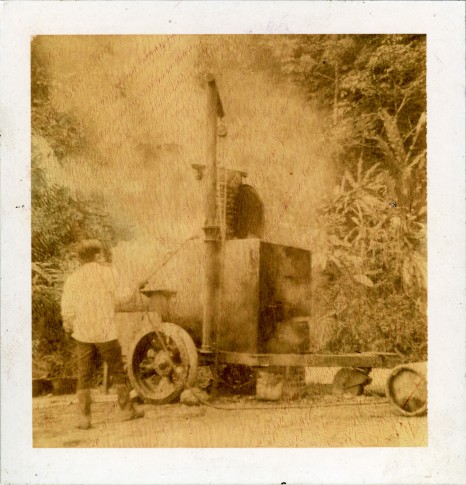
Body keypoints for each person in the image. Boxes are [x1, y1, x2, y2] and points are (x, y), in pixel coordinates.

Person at [61, 239, 145, 429]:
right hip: (105, 331)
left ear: (80, 258)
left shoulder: (73, 278)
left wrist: (68, 324)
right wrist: (136, 287)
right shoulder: (108, 273)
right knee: (117, 370)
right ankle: (126, 410)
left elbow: (67, 307)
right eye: (101, 253)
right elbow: (123, 297)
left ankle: (84, 418)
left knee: (84, 374)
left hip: (83, 332)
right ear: (97, 255)